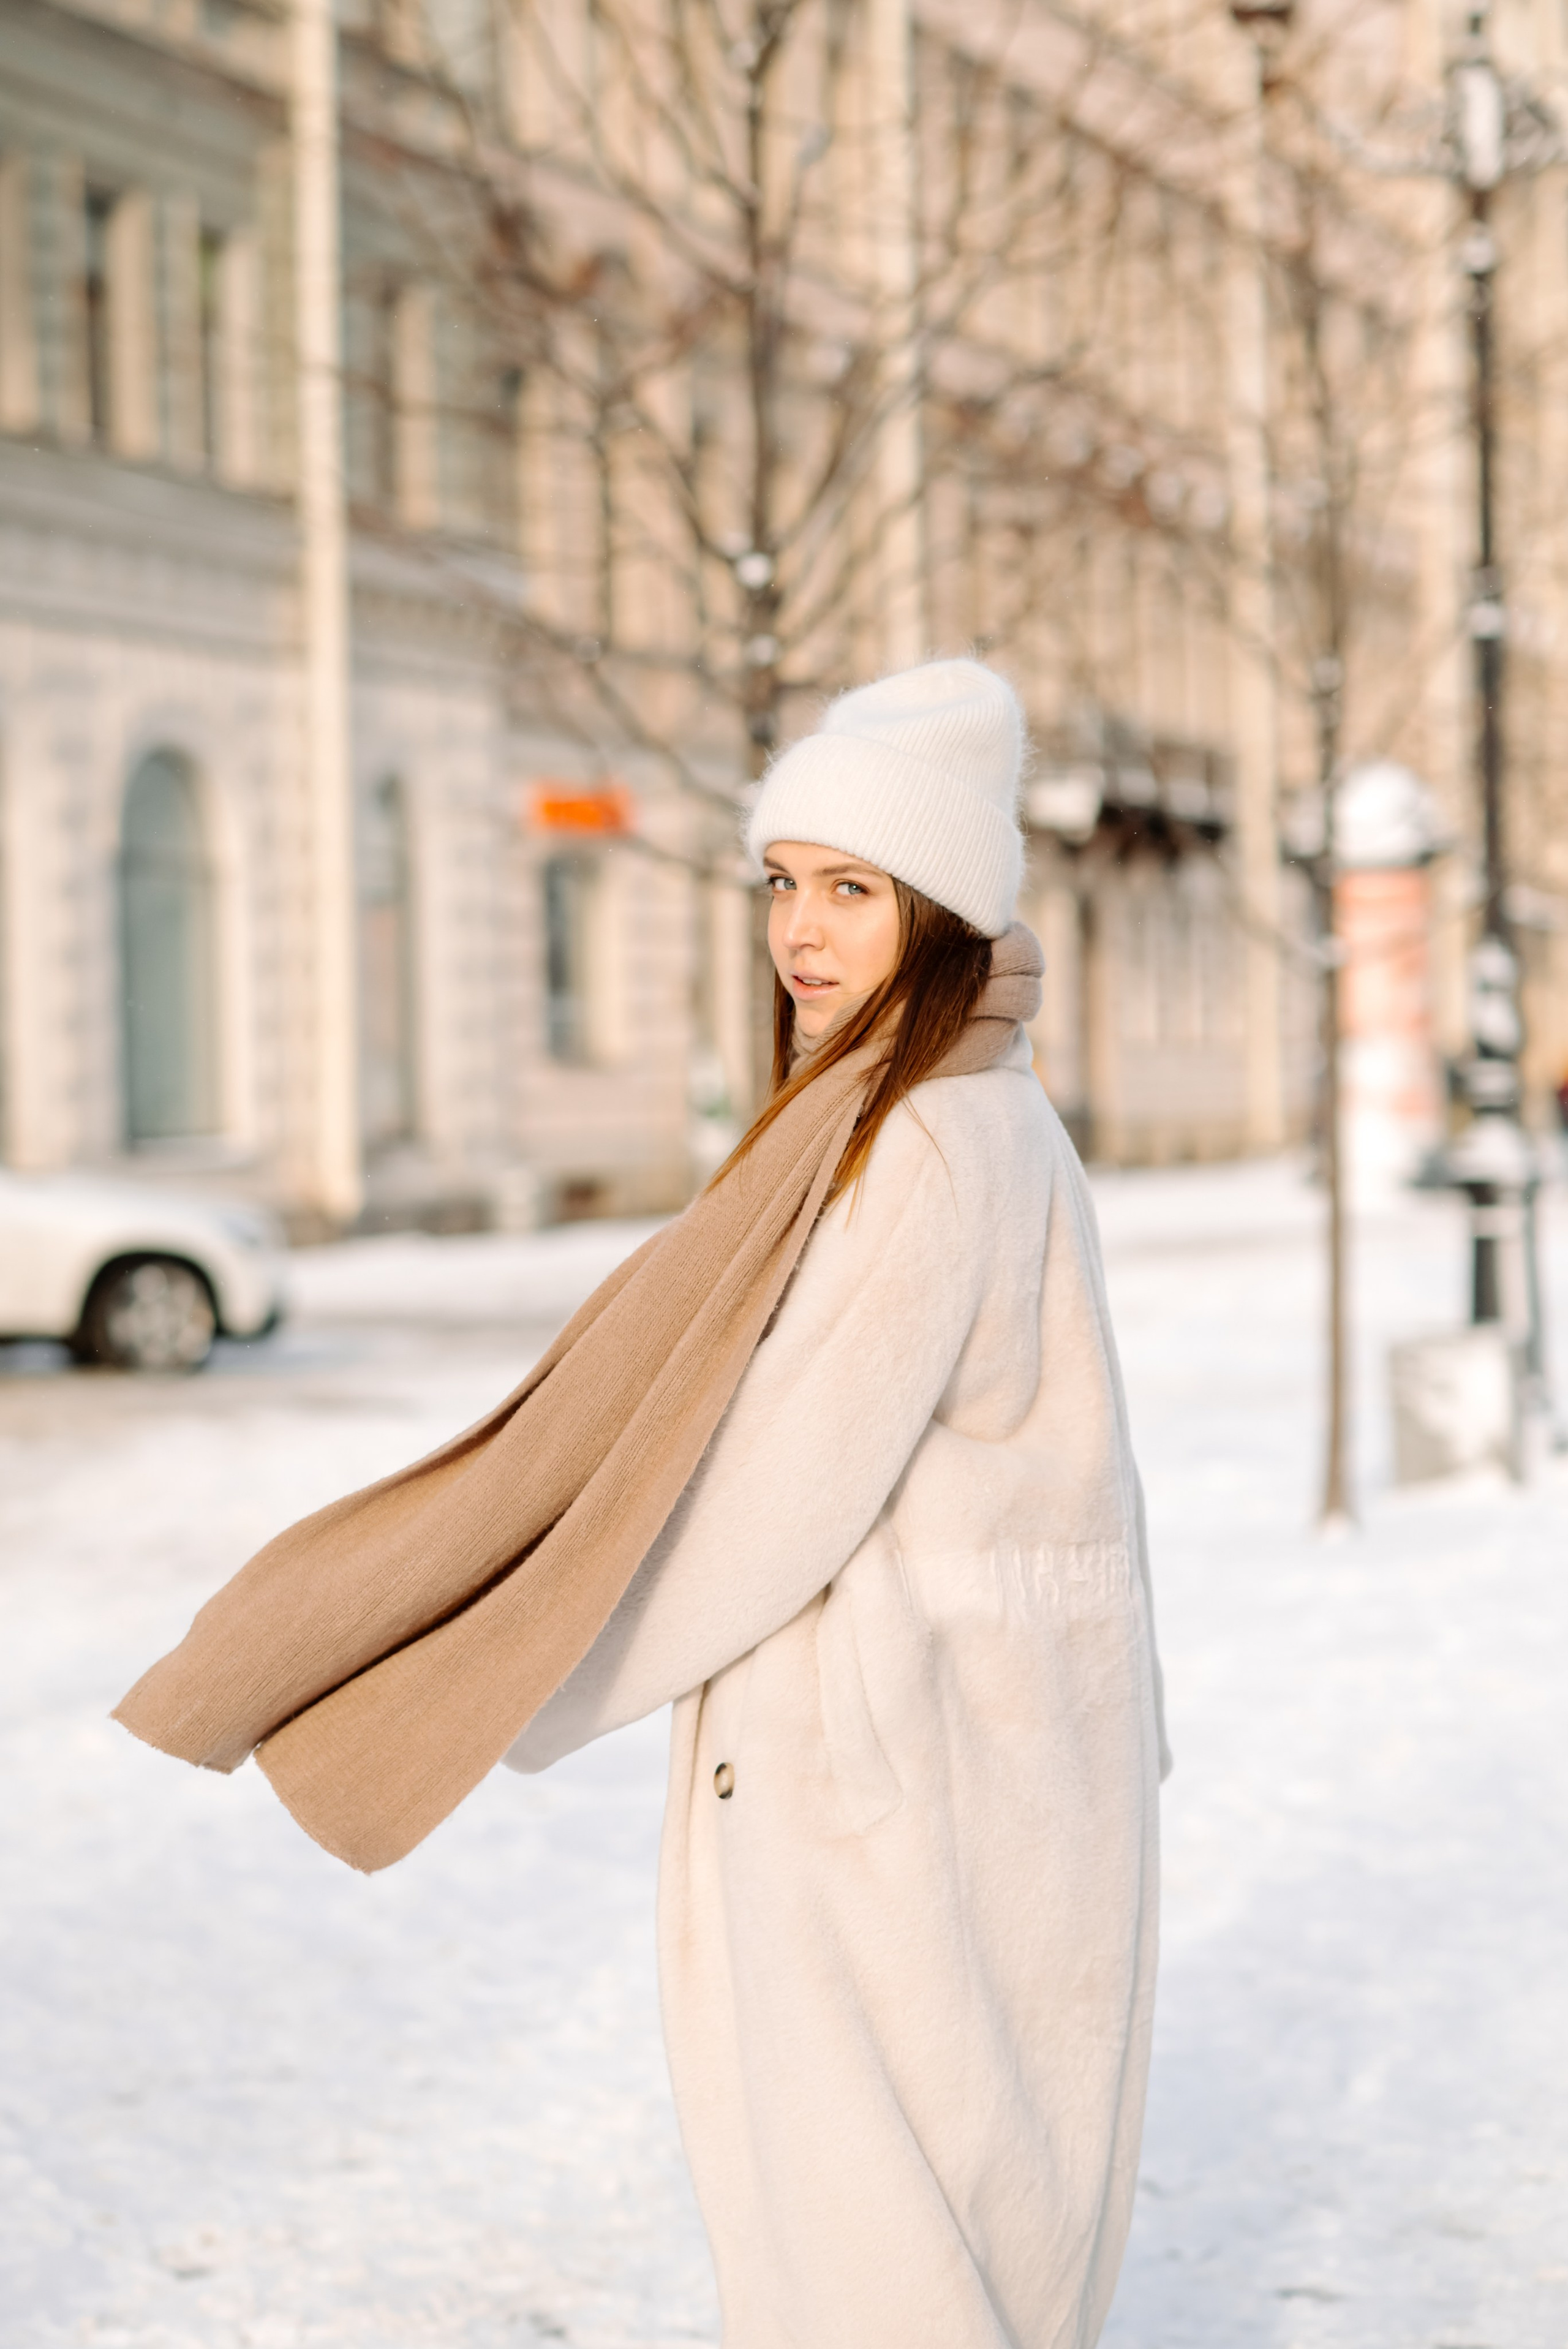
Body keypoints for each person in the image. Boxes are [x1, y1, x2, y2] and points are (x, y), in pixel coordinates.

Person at [115, 658, 1167, 2349]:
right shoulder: (963, 1102)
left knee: (873, 2250)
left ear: (945, 910)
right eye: (783, 882)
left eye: (852, 889)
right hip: (975, 1752)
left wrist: (509, 1670)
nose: (802, 931)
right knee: (961, 2208)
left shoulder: (924, 1145)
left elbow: (779, 1494)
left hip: (882, 1774)